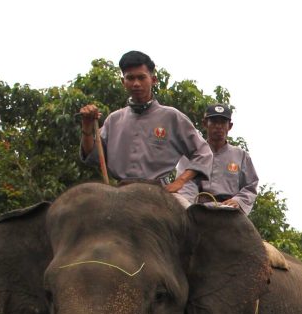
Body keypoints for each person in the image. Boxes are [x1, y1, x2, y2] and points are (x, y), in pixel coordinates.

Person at [78, 51, 212, 206]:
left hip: (159, 193)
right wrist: (87, 126)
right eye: (130, 78)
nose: (136, 83)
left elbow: (203, 153)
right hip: (119, 193)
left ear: (153, 80)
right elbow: (91, 155)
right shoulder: (113, 120)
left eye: (141, 77)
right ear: (123, 81)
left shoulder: (172, 117)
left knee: (191, 221)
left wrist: (180, 181)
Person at [175, 103, 260, 215]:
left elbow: (250, 186)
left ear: (230, 126)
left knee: (250, 233)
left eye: (223, 122)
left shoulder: (241, 156)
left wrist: (237, 201)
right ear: (205, 124)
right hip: (198, 210)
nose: (218, 126)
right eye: (214, 121)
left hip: (230, 212)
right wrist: (191, 207)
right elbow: (185, 184)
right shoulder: (192, 153)